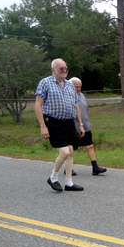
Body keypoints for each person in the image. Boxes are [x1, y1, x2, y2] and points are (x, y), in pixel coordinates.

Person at [35, 59, 85, 192]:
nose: (64, 70)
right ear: (53, 70)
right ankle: (53, 177)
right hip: (54, 122)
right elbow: (38, 105)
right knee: (64, 152)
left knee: (70, 152)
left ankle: (69, 182)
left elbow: (76, 105)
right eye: (61, 68)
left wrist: (80, 124)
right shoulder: (45, 83)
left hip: (69, 122)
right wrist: (43, 126)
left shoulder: (69, 85)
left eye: (65, 68)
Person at [68, 77, 107, 176]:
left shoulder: (82, 96)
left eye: (79, 87)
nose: (78, 89)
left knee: (89, 145)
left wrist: (88, 123)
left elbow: (86, 111)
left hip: (84, 126)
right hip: (72, 127)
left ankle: (95, 167)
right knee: (70, 149)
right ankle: (68, 168)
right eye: (75, 86)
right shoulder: (67, 96)